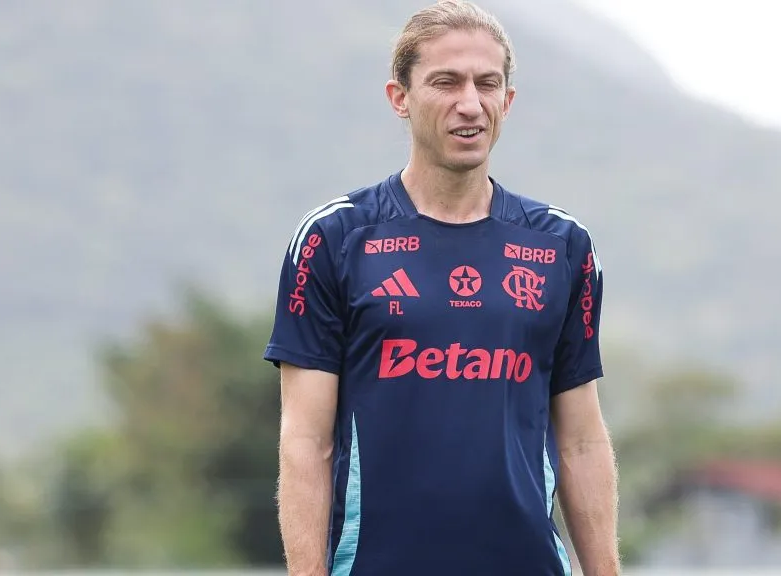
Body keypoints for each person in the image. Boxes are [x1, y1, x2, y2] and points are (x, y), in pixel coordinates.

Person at [264, 1, 618, 574]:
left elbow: (581, 441)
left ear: (508, 101)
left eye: (487, 84)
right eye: (446, 82)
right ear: (399, 97)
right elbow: (307, 441)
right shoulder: (334, 238)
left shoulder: (562, 245)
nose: (470, 104)